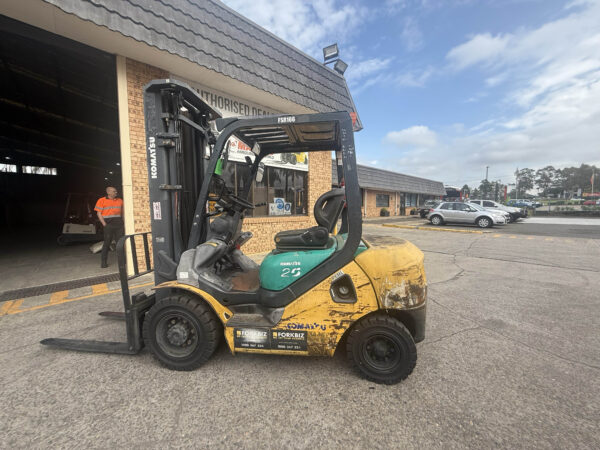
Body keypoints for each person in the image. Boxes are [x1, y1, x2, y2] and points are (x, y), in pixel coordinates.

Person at [94, 186, 124, 268]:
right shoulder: (101, 200)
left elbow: (123, 212)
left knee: (120, 244)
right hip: (108, 225)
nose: (116, 193)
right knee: (107, 243)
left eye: (116, 191)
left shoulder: (120, 200)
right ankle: (103, 263)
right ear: (108, 192)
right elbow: (98, 213)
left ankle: (122, 262)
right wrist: (104, 224)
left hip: (119, 225)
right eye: (114, 191)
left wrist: (123, 222)